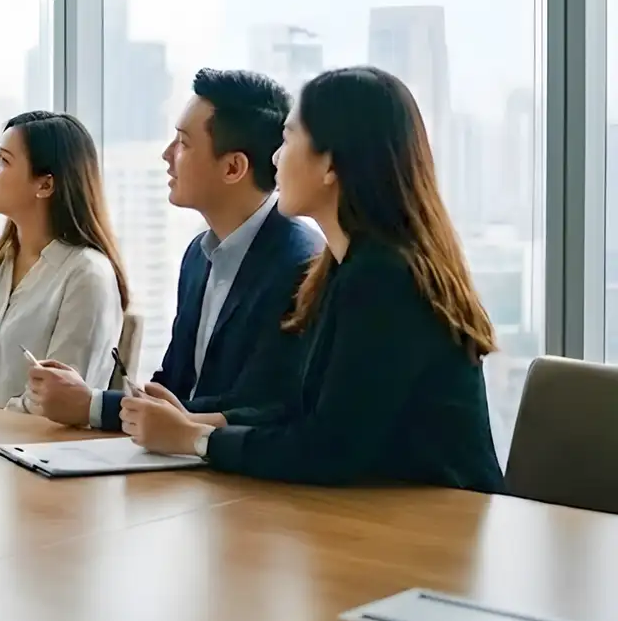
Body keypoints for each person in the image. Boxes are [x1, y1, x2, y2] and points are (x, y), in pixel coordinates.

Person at [122, 66, 504, 492]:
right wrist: (192, 422)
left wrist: (195, 439)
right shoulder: (343, 268)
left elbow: (326, 449)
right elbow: (301, 412)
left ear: (330, 166)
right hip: (382, 513)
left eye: (287, 140)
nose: (275, 158)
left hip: (435, 524)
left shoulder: (384, 279)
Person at [27, 69, 321, 431]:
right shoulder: (199, 254)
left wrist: (93, 405)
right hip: (180, 462)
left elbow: (261, 405)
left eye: (183, 142)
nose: (167, 154)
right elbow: (173, 386)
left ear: (233, 167)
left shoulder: (300, 263)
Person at [0, 111, 129, 411]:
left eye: (4, 161)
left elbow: (56, 398)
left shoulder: (87, 275)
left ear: (45, 185)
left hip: (21, 444)